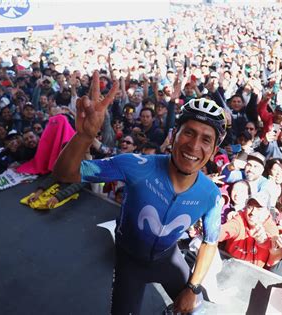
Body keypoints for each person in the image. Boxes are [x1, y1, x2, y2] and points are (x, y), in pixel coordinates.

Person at [53, 72, 226, 315]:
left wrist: (194, 288)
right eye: (188, 132)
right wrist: (84, 136)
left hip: (169, 261)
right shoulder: (136, 165)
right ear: (173, 134)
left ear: (214, 149)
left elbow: (210, 243)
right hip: (129, 264)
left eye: (206, 139)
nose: (194, 145)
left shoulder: (211, 195)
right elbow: (65, 174)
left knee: (195, 311)